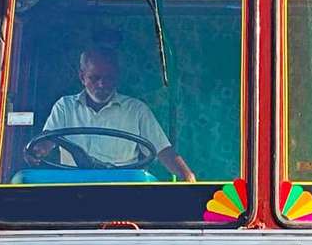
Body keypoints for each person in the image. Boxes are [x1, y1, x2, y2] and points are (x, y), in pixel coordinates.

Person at [36, 47, 195, 181]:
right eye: (95, 78)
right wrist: (37, 151)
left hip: (123, 192)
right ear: (82, 77)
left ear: (117, 77)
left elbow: (163, 150)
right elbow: (47, 141)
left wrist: (187, 176)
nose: (102, 84)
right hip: (74, 189)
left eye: (109, 78)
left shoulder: (136, 110)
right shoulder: (65, 107)